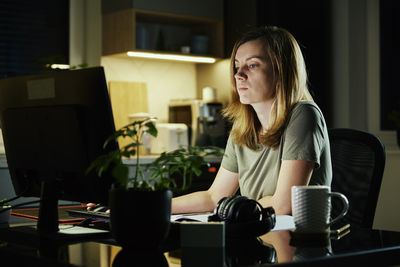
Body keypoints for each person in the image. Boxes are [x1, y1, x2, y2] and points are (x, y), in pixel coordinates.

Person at [172, 26, 332, 215]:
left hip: (297, 240)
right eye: (237, 66)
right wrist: (155, 206)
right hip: (258, 237)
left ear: (281, 70)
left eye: (253, 65)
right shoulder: (242, 128)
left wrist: (233, 210)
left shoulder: (304, 114)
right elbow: (214, 197)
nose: (239, 75)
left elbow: (284, 206)